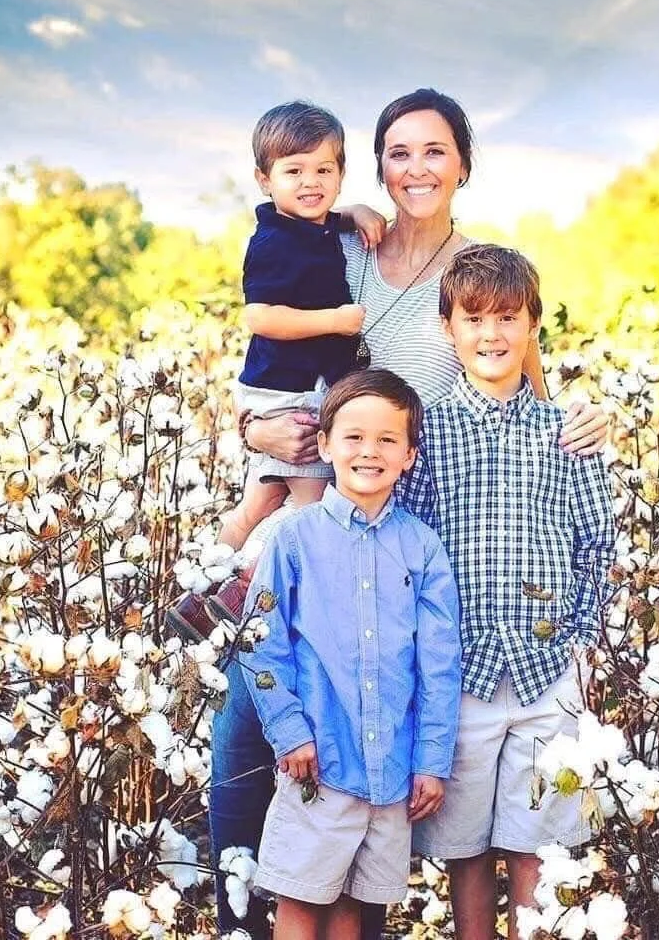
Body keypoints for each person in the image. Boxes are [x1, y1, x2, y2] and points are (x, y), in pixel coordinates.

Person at [208, 88, 610, 937]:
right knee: (252, 731)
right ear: (376, 166)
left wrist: (585, 420)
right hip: (325, 517)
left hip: (417, 546)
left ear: (463, 162)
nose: (416, 168)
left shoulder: (481, 272)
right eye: (398, 151)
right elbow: (274, 355)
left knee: (369, 779)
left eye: (434, 151)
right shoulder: (346, 250)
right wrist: (248, 423)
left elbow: (525, 386)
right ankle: (236, 908)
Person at [397, 244, 616, 940]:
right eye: (474, 318)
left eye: (507, 317)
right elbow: (409, 544)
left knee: (533, 839)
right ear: (448, 328)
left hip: (546, 669)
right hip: (458, 668)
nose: (491, 334)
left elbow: (595, 546)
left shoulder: (566, 432)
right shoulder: (425, 430)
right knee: (463, 843)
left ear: (531, 325)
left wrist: (581, 643)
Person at [239, 369, 461, 940]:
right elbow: (260, 644)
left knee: (355, 908)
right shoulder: (294, 539)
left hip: (392, 766)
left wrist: (431, 759)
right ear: (326, 445)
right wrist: (290, 731)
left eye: (388, 439)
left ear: (410, 455)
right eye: (355, 437)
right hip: (318, 758)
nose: (370, 451)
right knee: (304, 896)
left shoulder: (422, 546)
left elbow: (438, 664)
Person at [167, 100, 382, 641]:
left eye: (324, 170)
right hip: (290, 395)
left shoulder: (316, 226)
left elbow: (327, 215)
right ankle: (242, 594)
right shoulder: (272, 242)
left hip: (283, 388)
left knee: (261, 500)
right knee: (316, 512)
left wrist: (354, 212)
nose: (311, 183)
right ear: (265, 180)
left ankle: (200, 587)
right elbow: (259, 315)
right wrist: (336, 320)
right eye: (294, 171)